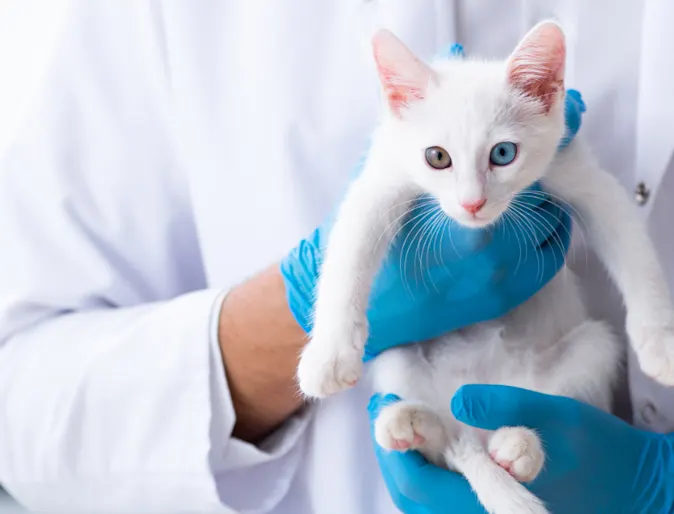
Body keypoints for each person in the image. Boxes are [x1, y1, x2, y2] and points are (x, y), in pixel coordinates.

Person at [0, 1, 672, 513]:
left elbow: (608, 211)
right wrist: (302, 315)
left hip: (558, 375)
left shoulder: (535, 116)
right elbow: (20, 395)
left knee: (597, 347)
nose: (470, 199)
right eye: (440, 161)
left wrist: (660, 489)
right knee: (408, 380)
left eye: (497, 159)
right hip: (376, 440)